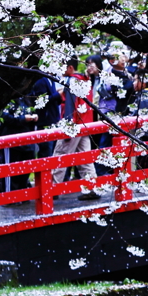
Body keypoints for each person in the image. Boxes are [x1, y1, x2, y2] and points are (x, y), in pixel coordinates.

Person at [52, 58, 99, 200]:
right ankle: (91, 187)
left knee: (61, 154)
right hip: (85, 123)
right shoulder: (85, 80)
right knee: (85, 157)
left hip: (73, 125)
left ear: (70, 67)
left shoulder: (72, 81)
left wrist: (67, 126)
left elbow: (70, 107)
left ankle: (52, 188)